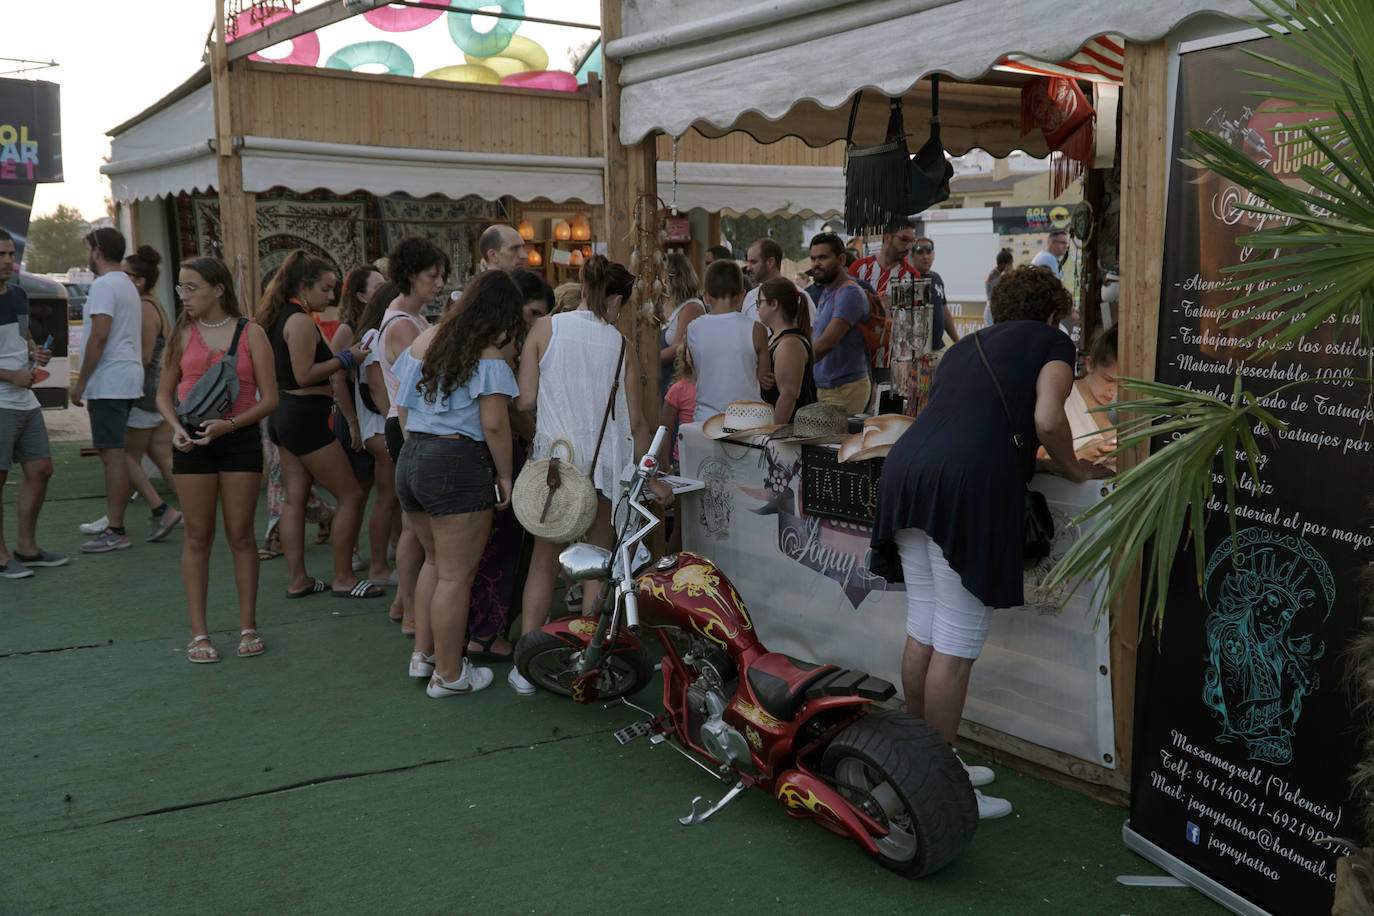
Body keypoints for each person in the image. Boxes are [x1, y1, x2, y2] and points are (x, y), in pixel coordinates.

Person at [867, 266, 1090, 820]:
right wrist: (1076, 470)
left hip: (907, 472)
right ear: (1055, 310)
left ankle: (919, 759)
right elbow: (1047, 419)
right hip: (966, 483)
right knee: (957, 641)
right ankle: (938, 782)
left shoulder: (966, 347)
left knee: (924, 628)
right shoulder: (1053, 341)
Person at [514, 255, 672, 695]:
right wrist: (651, 475)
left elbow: (524, 401)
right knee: (597, 565)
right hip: (603, 467)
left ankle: (526, 664)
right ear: (616, 299)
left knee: (543, 566)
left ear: (583, 287)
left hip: (555, 468)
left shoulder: (544, 329)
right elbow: (637, 422)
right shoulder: (622, 345)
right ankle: (588, 656)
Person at [393, 270, 525, 697]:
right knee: (454, 576)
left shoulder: (424, 340)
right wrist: (505, 475)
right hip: (457, 462)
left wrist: (422, 452)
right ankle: (449, 676)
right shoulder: (488, 356)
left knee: (434, 564)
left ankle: (424, 655)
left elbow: (404, 409)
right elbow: (495, 425)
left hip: (413, 458)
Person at [158, 256, 279, 663]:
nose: (185, 296)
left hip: (238, 437)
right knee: (197, 535)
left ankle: (249, 626)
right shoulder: (181, 332)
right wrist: (176, 427)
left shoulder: (251, 333)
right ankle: (199, 634)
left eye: (192, 287)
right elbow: (164, 394)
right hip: (191, 439)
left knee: (242, 534)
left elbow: (271, 398)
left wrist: (230, 424)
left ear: (219, 289)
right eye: (181, 288)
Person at [258, 250, 381, 600]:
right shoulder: (298, 321)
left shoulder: (284, 317)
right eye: (326, 288)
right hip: (303, 417)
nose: (331, 297)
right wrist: (347, 358)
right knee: (352, 494)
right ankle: (343, 578)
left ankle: (299, 580)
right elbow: (304, 374)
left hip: (287, 416)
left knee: (294, 500)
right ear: (304, 285)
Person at [378, 237, 446, 638]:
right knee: (414, 528)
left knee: (413, 525)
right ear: (409, 276)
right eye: (431, 276)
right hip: (406, 426)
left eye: (440, 275)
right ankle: (409, 609)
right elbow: (419, 384)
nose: (438, 283)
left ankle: (404, 603)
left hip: (406, 425)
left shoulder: (411, 319)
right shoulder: (402, 323)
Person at [72, 227, 145, 553]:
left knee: (112, 455)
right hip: (127, 378)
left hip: (110, 381)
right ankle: (130, 519)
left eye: (90, 250)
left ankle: (116, 529)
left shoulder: (103, 285)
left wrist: (81, 381)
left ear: (97, 251)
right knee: (116, 454)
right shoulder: (127, 284)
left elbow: (99, 336)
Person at [104, 245, 183, 543]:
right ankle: (191, 510)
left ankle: (142, 513)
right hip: (159, 391)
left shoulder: (145, 308)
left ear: (139, 280)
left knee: (123, 456)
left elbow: (145, 355)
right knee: (163, 456)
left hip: (145, 392)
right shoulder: (154, 303)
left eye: (124, 275)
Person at [0, 228, 64, 578]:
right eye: (1, 255)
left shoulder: (18, 295)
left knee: (41, 470)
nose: (9, 260)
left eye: (11, 254)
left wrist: (34, 351)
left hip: (24, 398)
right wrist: (10, 376)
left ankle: (26, 548)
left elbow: (22, 337)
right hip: (3, 396)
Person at [329, 264, 393, 582]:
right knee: (359, 490)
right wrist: (352, 422)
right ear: (359, 294)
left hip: (369, 416)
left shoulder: (380, 327)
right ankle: (353, 550)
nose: (384, 290)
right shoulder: (349, 329)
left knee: (381, 490)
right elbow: (336, 376)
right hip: (356, 415)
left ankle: (384, 551)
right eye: (377, 286)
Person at [684, 259, 769, 422]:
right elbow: (764, 378)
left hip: (706, 419)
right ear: (742, 295)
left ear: (706, 296)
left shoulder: (693, 329)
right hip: (747, 420)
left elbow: (696, 370)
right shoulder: (757, 329)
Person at [808, 232, 871, 414]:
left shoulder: (849, 293)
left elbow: (827, 343)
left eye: (823, 258)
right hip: (829, 387)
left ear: (841, 259)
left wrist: (796, 365)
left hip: (844, 388)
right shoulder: (829, 292)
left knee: (835, 442)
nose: (816, 264)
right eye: (813, 259)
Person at [756, 278, 817, 425]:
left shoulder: (789, 344)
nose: (757, 308)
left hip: (788, 433)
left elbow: (789, 395)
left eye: (759, 302)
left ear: (774, 304)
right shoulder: (775, 338)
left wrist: (771, 434)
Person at [1062, 324, 1118, 471]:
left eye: (1122, 384)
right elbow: (1035, 458)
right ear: (1090, 364)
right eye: (1108, 380)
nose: (1114, 391)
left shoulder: (1124, 405)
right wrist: (1079, 455)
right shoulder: (1064, 398)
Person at [656, 253, 705, 401]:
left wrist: (648, 361)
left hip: (676, 383)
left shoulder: (692, 307)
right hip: (660, 380)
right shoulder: (666, 304)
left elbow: (678, 348)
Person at [741, 238, 817, 325]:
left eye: (753, 262)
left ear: (770, 262)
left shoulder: (800, 297)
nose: (748, 268)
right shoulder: (750, 298)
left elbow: (811, 334)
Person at [909, 237, 960, 351]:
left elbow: (944, 311)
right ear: (912, 256)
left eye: (928, 252)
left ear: (933, 255)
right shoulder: (907, 280)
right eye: (920, 253)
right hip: (916, 351)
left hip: (937, 348)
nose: (925, 256)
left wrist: (957, 341)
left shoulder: (936, 278)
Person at [848, 228, 916, 297]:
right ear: (887, 238)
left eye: (912, 242)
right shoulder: (858, 268)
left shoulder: (912, 275)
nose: (909, 247)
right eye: (904, 240)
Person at [982, 249, 1014, 326]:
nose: (1012, 266)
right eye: (1010, 264)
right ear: (1003, 264)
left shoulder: (997, 274)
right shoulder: (994, 276)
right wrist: (1009, 274)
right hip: (992, 311)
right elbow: (1004, 292)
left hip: (994, 310)